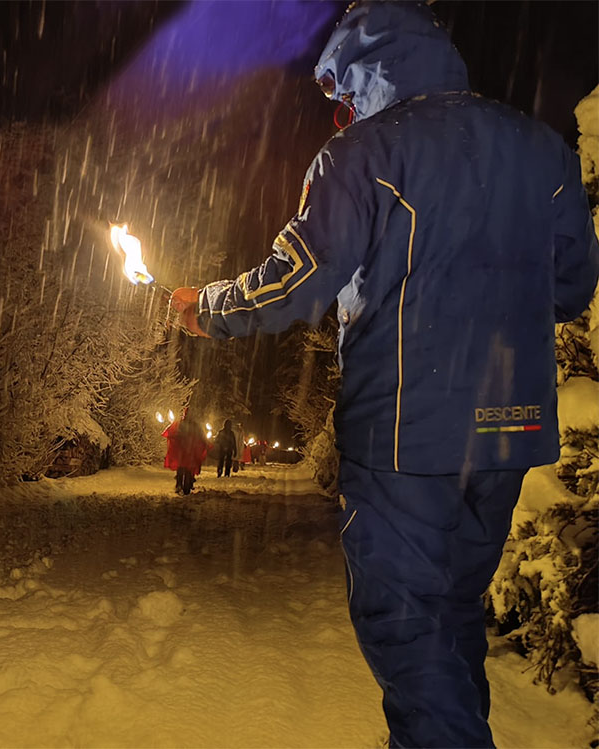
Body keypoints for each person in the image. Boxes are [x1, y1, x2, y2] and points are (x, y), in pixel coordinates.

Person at [170, 2, 599, 747]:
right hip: (506, 433)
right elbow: (571, 289)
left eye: (342, 96)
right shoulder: (541, 151)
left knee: (404, 628)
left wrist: (206, 307)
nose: (341, 114)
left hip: (406, 434)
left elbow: (293, 282)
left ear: (364, 74)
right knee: (452, 613)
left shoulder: (365, 154)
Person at [162, 407, 209, 495]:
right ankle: (183, 485)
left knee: (182, 468)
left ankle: (181, 485)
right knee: (186, 468)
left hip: (184, 451)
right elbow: (201, 437)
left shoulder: (181, 424)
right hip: (188, 451)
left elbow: (173, 433)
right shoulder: (192, 425)